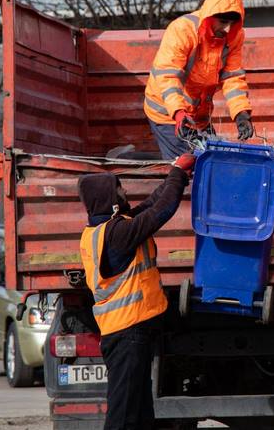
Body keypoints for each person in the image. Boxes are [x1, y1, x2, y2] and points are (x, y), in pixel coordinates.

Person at [77, 153, 196, 430]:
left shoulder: (104, 230)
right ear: (108, 198)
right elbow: (161, 212)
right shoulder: (117, 234)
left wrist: (175, 174)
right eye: (119, 189)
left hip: (128, 332)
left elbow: (151, 204)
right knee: (123, 415)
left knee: (140, 413)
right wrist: (178, 173)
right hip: (127, 332)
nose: (125, 193)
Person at [143, 0, 254, 159]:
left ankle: (130, 156)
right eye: (223, 22)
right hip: (167, 113)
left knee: (209, 159)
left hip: (198, 117)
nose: (227, 29)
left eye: (232, 23)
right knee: (186, 164)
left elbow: (233, 78)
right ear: (210, 16)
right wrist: (178, 113)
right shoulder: (183, 30)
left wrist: (241, 114)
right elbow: (168, 76)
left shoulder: (234, 36)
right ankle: (127, 159)